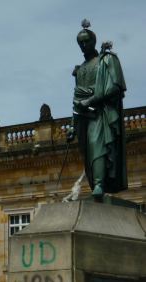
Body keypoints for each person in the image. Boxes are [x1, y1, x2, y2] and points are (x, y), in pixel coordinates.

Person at [67, 19, 127, 199]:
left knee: (97, 147)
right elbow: (77, 99)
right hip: (83, 117)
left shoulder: (107, 60)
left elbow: (115, 87)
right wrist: (72, 124)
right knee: (87, 154)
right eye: (80, 42)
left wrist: (91, 99)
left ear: (94, 41)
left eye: (86, 41)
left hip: (101, 114)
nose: (84, 45)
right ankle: (96, 183)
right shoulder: (81, 69)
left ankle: (100, 184)